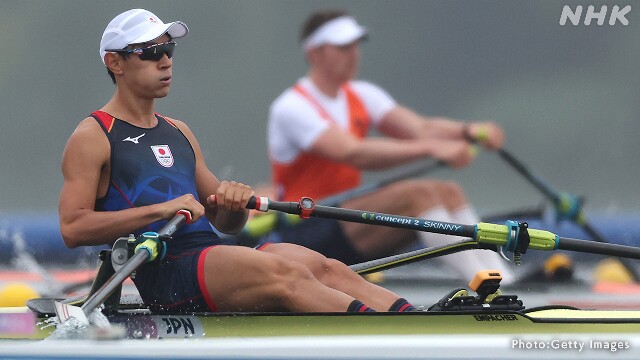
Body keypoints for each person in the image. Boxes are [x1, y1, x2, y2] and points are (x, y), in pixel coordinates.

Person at [58, 8, 417, 314]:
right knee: (287, 275)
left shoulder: (178, 131)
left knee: (323, 266)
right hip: (166, 270)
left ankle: (416, 319)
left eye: (168, 48)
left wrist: (231, 201)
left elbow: (227, 223)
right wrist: (161, 210)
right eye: (150, 52)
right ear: (115, 62)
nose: (165, 60)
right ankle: (387, 331)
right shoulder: (93, 136)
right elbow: (73, 228)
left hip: (212, 255)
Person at [266, 9, 514, 283]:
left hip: (346, 220)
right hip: (306, 227)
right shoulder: (291, 107)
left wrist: (469, 131)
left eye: (355, 46)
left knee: (449, 191)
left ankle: (502, 280)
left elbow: (420, 128)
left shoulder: (361, 94)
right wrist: (432, 148)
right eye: (343, 47)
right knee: (416, 196)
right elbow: (352, 152)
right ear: (314, 54)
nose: (354, 54)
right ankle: (481, 281)